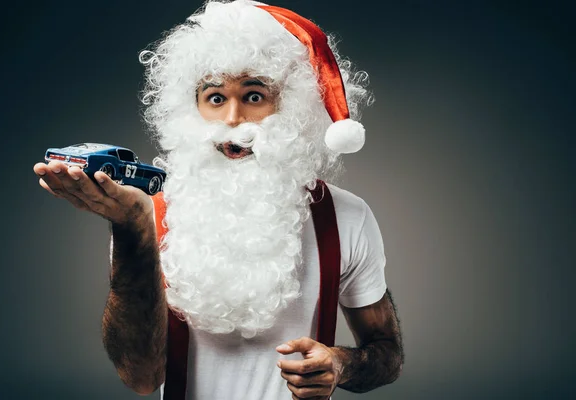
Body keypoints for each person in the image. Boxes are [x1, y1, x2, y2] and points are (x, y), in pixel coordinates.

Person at [33, 1, 404, 399]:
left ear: (295, 109)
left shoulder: (346, 217)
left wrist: (340, 364)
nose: (232, 119)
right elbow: (140, 376)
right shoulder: (147, 214)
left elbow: (387, 355)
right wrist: (130, 228)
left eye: (254, 96)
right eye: (214, 98)